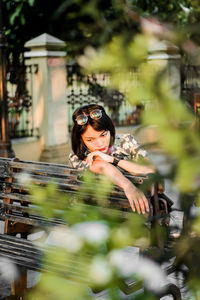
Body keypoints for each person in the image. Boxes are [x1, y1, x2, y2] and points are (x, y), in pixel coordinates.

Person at [69, 104, 156, 215]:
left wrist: (112, 159)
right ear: (80, 139)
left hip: (129, 213)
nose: (99, 144)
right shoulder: (78, 156)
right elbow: (102, 166)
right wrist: (128, 186)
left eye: (103, 135)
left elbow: (150, 169)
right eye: (90, 140)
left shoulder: (126, 141)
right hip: (96, 214)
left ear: (110, 130)